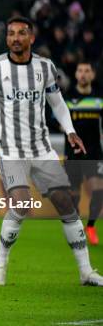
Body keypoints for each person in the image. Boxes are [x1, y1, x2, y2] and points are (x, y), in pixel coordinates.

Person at [0, 16, 103, 287]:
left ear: (31, 38)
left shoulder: (45, 67)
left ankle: (86, 272)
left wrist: (70, 130)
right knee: (22, 203)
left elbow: (58, 103)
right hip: (10, 149)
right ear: (6, 38)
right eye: (11, 33)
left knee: (66, 203)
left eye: (21, 33)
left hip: (41, 148)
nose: (16, 38)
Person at [64, 61, 103, 245]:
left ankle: (91, 226)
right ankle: (77, 229)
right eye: (80, 70)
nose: (83, 74)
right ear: (76, 74)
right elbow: (54, 119)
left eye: (87, 71)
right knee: (74, 194)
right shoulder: (67, 97)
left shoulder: (99, 98)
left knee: (99, 190)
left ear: (92, 75)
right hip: (73, 152)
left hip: (94, 152)